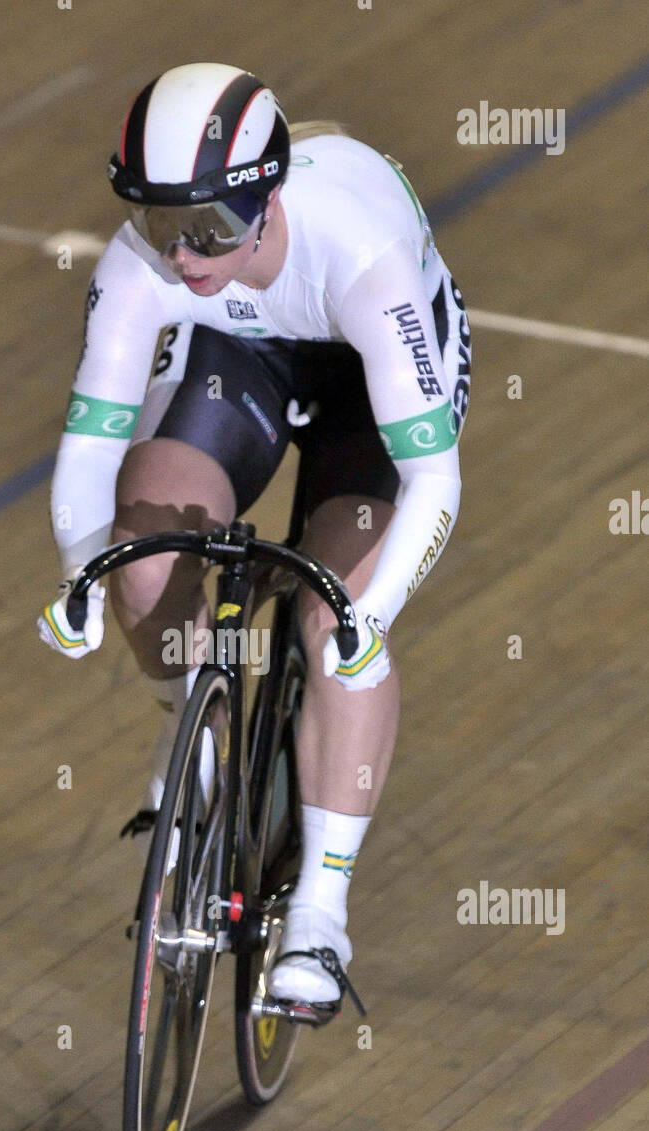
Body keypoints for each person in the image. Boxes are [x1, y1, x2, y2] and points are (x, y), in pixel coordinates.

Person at [38, 62, 470, 1014]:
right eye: (162, 224)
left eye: (213, 228)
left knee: (336, 621)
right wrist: (82, 576)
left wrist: (371, 614)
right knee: (142, 556)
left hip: (373, 373)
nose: (186, 256)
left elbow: (435, 479)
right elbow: (88, 450)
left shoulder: (360, 254)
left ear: (266, 201)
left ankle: (320, 909)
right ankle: (185, 737)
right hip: (239, 359)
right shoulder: (143, 267)